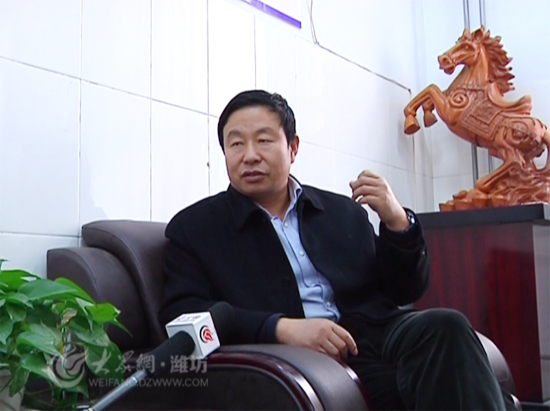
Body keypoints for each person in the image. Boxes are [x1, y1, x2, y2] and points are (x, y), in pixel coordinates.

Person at [158, 90, 513, 410]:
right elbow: (182, 314)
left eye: (263, 140)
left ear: (293, 147)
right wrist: (280, 328)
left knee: (448, 327)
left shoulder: (341, 211)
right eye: (236, 144)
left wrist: (397, 222)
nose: (249, 156)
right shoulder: (196, 228)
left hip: (376, 334)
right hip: (301, 358)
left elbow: (404, 291)